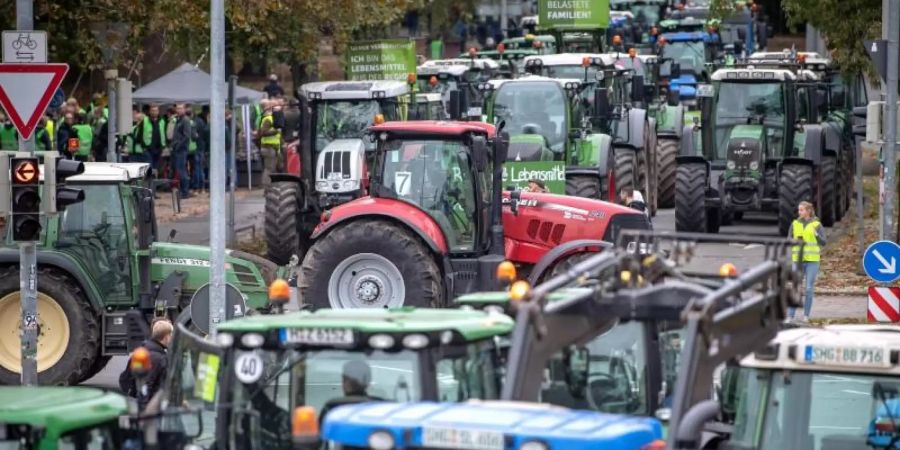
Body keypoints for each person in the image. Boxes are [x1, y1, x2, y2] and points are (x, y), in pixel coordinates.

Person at [119, 319, 173, 411]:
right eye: (171, 334)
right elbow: (146, 386)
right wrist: (144, 413)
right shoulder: (156, 357)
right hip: (150, 408)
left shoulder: (145, 349)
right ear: (166, 337)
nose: (172, 337)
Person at [789, 201, 825, 322]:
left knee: (809, 288)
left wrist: (816, 235)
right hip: (797, 260)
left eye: (802, 210)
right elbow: (788, 240)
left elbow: (823, 242)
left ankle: (806, 316)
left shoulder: (817, 224)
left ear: (808, 211)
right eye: (799, 210)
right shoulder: (795, 224)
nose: (799, 212)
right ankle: (790, 316)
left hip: (812, 261)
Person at [255, 99, 282, 188]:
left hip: (272, 147)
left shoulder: (272, 118)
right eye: (276, 107)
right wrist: (275, 131)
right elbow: (263, 132)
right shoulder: (268, 119)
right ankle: (266, 186)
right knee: (269, 168)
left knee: (272, 168)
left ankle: (269, 186)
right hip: (268, 147)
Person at [172, 104, 193, 199]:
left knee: (182, 170)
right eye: (177, 108)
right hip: (177, 148)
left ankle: (185, 191)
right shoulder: (178, 120)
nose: (178, 110)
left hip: (182, 149)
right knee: (180, 170)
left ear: (184, 109)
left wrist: (178, 145)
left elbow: (187, 136)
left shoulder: (185, 120)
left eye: (180, 108)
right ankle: (183, 190)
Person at [142, 104, 167, 176]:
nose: (154, 112)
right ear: (149, 111)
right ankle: (150, 184)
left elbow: (164, 133)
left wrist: (164, 146)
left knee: (156, 168)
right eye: (152, 110)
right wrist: (144, 145)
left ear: (158, 111)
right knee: (150, 168)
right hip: (148, 148)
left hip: (159, 148)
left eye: (155, 110)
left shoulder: (162, 121)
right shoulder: (145, 120)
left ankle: (154, 184)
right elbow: (140, 133)